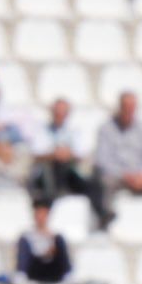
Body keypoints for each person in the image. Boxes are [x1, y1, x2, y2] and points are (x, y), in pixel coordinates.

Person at [30, 97, 112, 228]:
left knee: (96, 181)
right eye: (57, 112)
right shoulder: (42, 130)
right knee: (55, 167)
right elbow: (36, 152)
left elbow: (82, 153)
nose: (60, 116)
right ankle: (46, 215)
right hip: (48, 174)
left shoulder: (75, 131)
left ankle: (102, 213)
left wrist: (68, 154)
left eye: (63, 113)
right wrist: (54, 154)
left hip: (71, 174)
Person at [93, 90, 142, 210]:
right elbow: (103, 160)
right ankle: (105, 218)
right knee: (105, 183)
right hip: (118, 176)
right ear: (120, 107)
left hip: (140, 176)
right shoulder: (106, 129)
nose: (129, 111)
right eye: (126, 107)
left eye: (132, 107)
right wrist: (125, 175)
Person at [16, 200, 73, 284]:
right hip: (35, 268)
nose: (41, 217)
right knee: (23, 242)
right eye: (39, 214)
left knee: (59, 240)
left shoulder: (55, 234)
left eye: (43, 214)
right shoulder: (27, 235)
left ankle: (68, 276)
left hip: (52, 269)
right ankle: (21, 277)